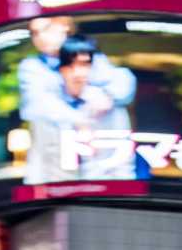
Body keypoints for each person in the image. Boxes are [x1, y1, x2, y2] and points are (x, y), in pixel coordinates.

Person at [18, 24, 138, 186]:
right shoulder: (33, 72)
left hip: (103, 195)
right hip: (53, 191)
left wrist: (107, 97)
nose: (78, 72)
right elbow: (37, 105)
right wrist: (80, 121)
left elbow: (123, 81)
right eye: (34, 33)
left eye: (47, 29)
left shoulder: (108, 101)